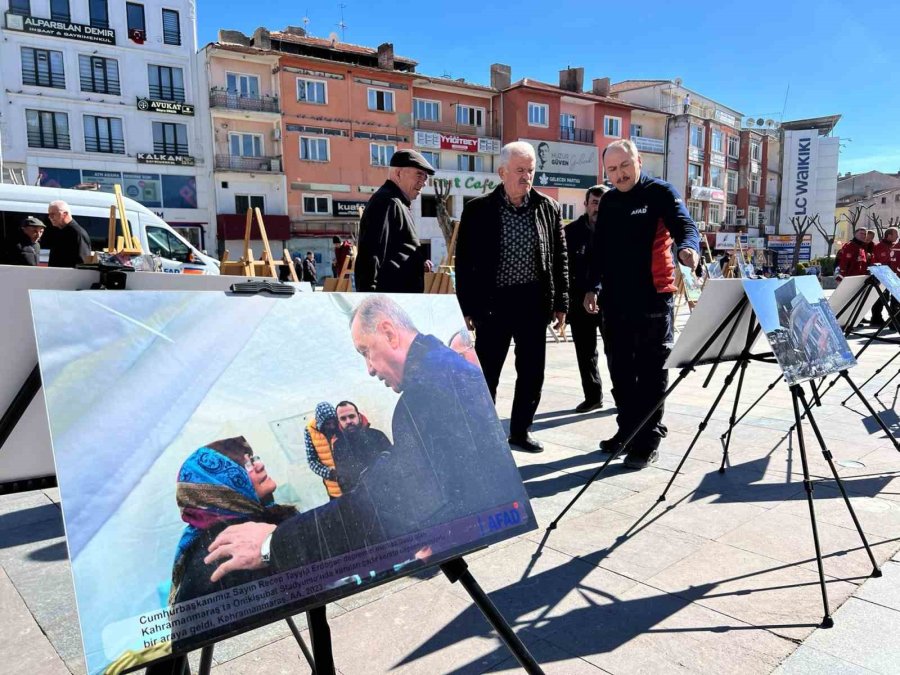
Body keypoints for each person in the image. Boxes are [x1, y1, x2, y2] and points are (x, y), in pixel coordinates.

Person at [203, 295, 524, 578]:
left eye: (366, 352)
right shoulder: (446, 368)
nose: (369, 369)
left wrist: (274, 545)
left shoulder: (423, 394)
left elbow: (380, 506)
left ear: (388, 332)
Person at [585, 139, 700, 469]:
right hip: (615, 302)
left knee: (651, 373)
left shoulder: (660, 192)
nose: (619, 174)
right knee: (621, 372)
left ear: (638, 161)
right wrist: (592, 286)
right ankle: (627, 431)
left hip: (653, 298)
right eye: (611, 169)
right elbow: (599, 249)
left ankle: (648, 440)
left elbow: (684, 225)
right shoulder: (607, 203)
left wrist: (687, 249)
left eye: (624, 166)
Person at [455, 141, 569, 453]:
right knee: (486, 373)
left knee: (532, 372)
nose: (526, 177)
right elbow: (463, 262)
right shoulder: (478, 210)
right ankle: (483, 434)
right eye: (520, 170)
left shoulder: (548, 208)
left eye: (531, 170)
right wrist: (466, 306)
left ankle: (520, 431)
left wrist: (562, 303)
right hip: (493, 305)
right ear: (502, 171)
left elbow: (560, 258)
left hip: (534, 303)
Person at [169, 436, 297, 607]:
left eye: (252, 459)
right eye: (246, 466)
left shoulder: (266, 519)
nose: (260, 465)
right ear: (222, 487)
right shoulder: (225, 551)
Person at [355, 149, 435, 293]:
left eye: (425, 178)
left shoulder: (398, 202)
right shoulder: (387, 201)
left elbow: (395, 254)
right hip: (389, 301)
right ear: (398, 173)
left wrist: (416, 263)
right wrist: (369, 300)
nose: (423, 183)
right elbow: (371, 256)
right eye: (419, 175)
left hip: (397, 299)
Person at [565, 185, 608, 413]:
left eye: (602, 203)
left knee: (617, 353)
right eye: (594, 202)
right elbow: (562, 268)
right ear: (586, 204)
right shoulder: (571, 232)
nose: (597, 208)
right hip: (579, 302)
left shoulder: (616, 232)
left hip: (610, 302)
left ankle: (624, 398)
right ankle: (592, 396)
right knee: (585, 352)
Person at [330, 400, 392, 492]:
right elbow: (343, 480)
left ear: (358, 416)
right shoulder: (338, 446)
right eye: (343, 418)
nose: (348, 421)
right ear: (339, 421)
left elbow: (394, 464)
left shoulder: (377, 435)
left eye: (352, 416)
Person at [304, 402, 342, 499]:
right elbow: (312, 461)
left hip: (351, 486)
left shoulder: (340, 425)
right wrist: (329, 473)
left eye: (334, 422)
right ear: (321, 423)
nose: (332, 426)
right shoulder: (310, 431)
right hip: (333, 489)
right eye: (328, 424)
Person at [47, 200, 91, 268]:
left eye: (53, 214)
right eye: (49, 214)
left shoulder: (77, 233)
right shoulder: (59, 230)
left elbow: (82, 263)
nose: (49, 217)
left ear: (65, 214)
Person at [870, 227, 900, 326]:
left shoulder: (895, 246)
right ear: (889, 235)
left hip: (894, 276)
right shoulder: (879, 246)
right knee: (882, 299)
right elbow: (878, 261)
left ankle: (893, 320)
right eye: (895, 234)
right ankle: (876, 318)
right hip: (883, 275)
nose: (897, 236)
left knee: (895, 300)